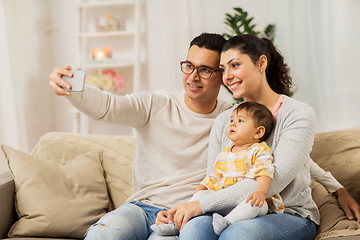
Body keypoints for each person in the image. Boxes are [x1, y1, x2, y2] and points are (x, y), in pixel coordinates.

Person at [158, 34, 360, 240]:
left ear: (261, 62)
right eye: (223, 69)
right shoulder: (224, 120)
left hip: (288, 214)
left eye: (234, 65)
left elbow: (276, 178)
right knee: (193, 230)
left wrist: (338, 189)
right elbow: (215, 179)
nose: (227, 76)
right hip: (231, 213)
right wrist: (186, 208)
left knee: (237, 235)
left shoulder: (298, 114)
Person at [48, 32, 232, 240]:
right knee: (102, 234)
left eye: (205, 70)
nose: (193, 76)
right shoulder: (157, 104)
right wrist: (71, 87)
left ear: (223, 76)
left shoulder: (233, 120)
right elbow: (108, 106)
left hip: (185, 216)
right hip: (140, 209)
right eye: (188, 66)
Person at [151, 101, 284, 237]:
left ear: (258, 132)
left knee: (254, 204)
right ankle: (176, 223)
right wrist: (198, 193)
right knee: (200, 196)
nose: (232, 123)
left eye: (240, 120)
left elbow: (265, 171)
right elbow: (214, 177)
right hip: (224, 200)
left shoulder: (259, 150)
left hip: (250, 200)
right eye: (232, 120)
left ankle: (228, 222)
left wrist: (261, 192)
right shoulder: (225, 153)